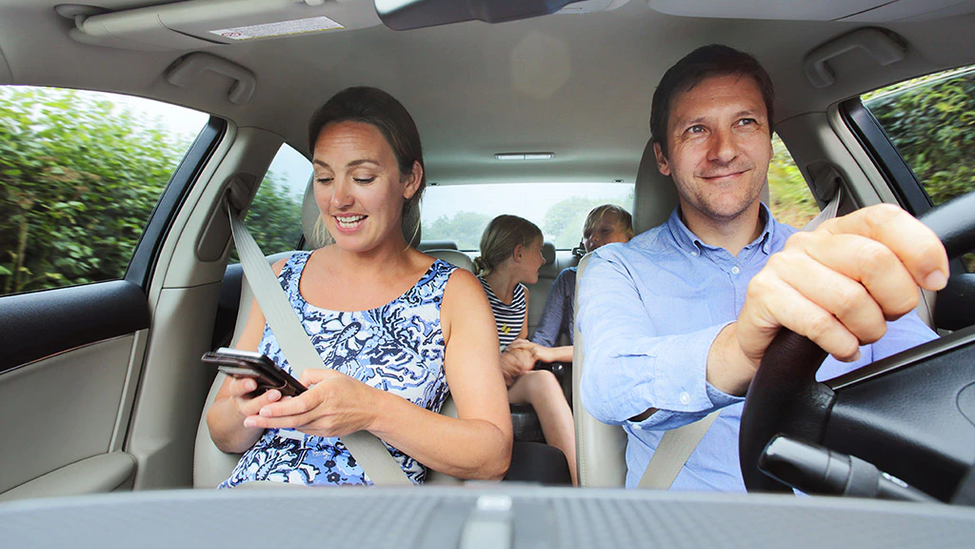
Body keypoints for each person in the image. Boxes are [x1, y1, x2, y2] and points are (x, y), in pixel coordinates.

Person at [578, 45, 949, 491]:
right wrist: (740, 351)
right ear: (663, 158)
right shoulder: (616, 267)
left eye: (745, 122)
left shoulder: (833, 260)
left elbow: (932, 390)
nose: (725, 150)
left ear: (769, 140)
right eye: (697, 130)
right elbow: (607, 383)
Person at [206, 87, 512, 487]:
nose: (337, 199)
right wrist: (250, 407)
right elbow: (221, 430)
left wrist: (371, 411)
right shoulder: (278, 277)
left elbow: (493, 455)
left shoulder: (454, 292)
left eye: (363, 177)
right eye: (324, 177)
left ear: (410, 180)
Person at [474, 214, 578, 485]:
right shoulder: (473, 291)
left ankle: (580, 485)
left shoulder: (522, 296)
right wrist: (498, 364)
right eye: (539, 251)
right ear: (519, 254)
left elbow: (518, 345)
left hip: (506, 381)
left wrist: (521, 357)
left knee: (543, 380)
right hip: (476, 381)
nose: (544, 260)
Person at [510, 204, 634, 365]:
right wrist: (527, 356)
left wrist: (553, 353)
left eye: (605, 231)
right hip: (584, 370)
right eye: (588, 234)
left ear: (630, 239)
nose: (594, 238)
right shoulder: (569, 279)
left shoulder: (638, 278)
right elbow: (544, 337)